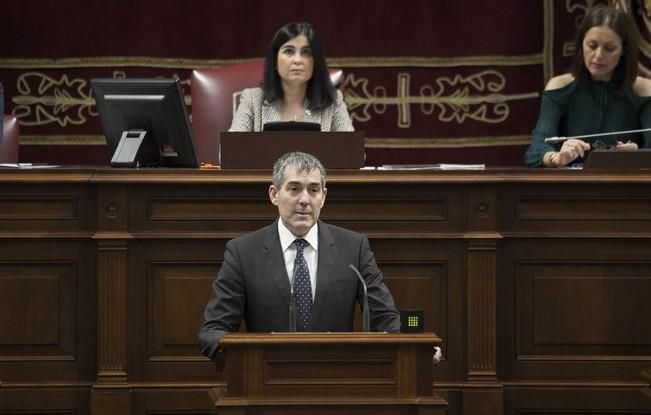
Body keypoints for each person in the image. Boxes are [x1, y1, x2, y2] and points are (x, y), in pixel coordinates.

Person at [198, 152, 400, 361]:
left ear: (323, 196)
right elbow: (214, 329)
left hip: (337, 380)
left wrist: (416, 349)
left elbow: (385, 317)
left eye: (313, 190)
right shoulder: (243, 252)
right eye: (294, 189)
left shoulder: (353, 248)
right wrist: (243, 362)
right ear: (274, 194)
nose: (305, 200)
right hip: (265, 381)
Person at [525, 5, 651, 167]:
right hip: (571, 187)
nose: (598, 55)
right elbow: (535, 150)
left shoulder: (644, 90)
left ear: (623, 50)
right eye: (592, 45)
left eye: (609, 48)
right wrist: (555, 157)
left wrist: (637, 154)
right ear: (581, 44)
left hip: (625, 187)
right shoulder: (560, 86)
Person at [228, 22, 354, 132]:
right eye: (289, 51)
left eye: (306, 52)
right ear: (275, 62)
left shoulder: (332, 101)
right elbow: (230, 150)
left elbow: (353, 151)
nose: (297, 60)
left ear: (315, 62)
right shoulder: (253, 100)